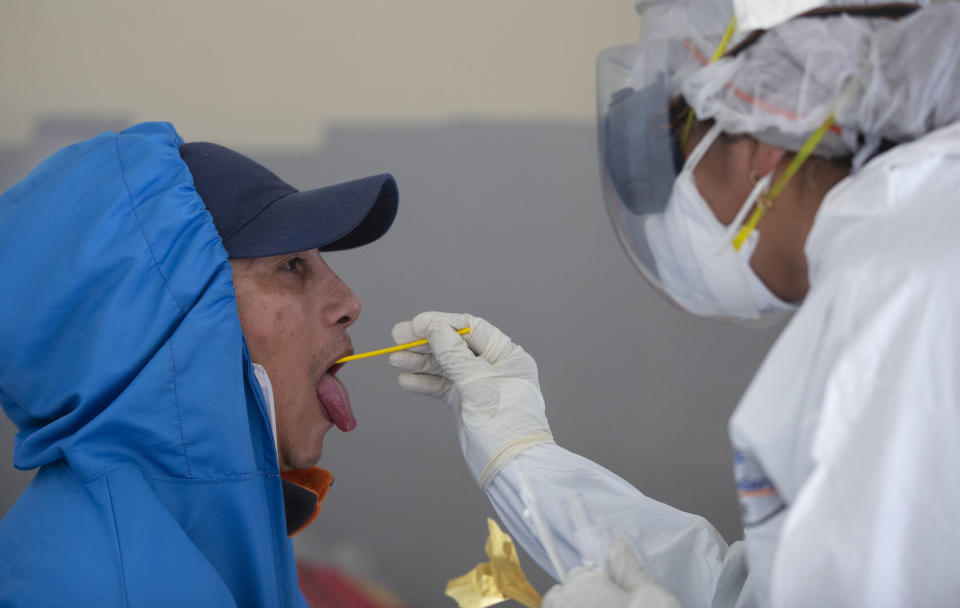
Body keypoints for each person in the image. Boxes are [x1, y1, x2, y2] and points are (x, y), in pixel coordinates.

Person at [389, 1, 960, 606]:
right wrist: (521, 451)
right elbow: (756, 592)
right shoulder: (896, 260)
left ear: (767, 129)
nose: (661, 199)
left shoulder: (907, 289)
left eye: (682, 136)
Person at [0, 121, 398, 606]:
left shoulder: (228, 544)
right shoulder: (101, 592)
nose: (349, 301)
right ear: (166, 323)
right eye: (291, 264)